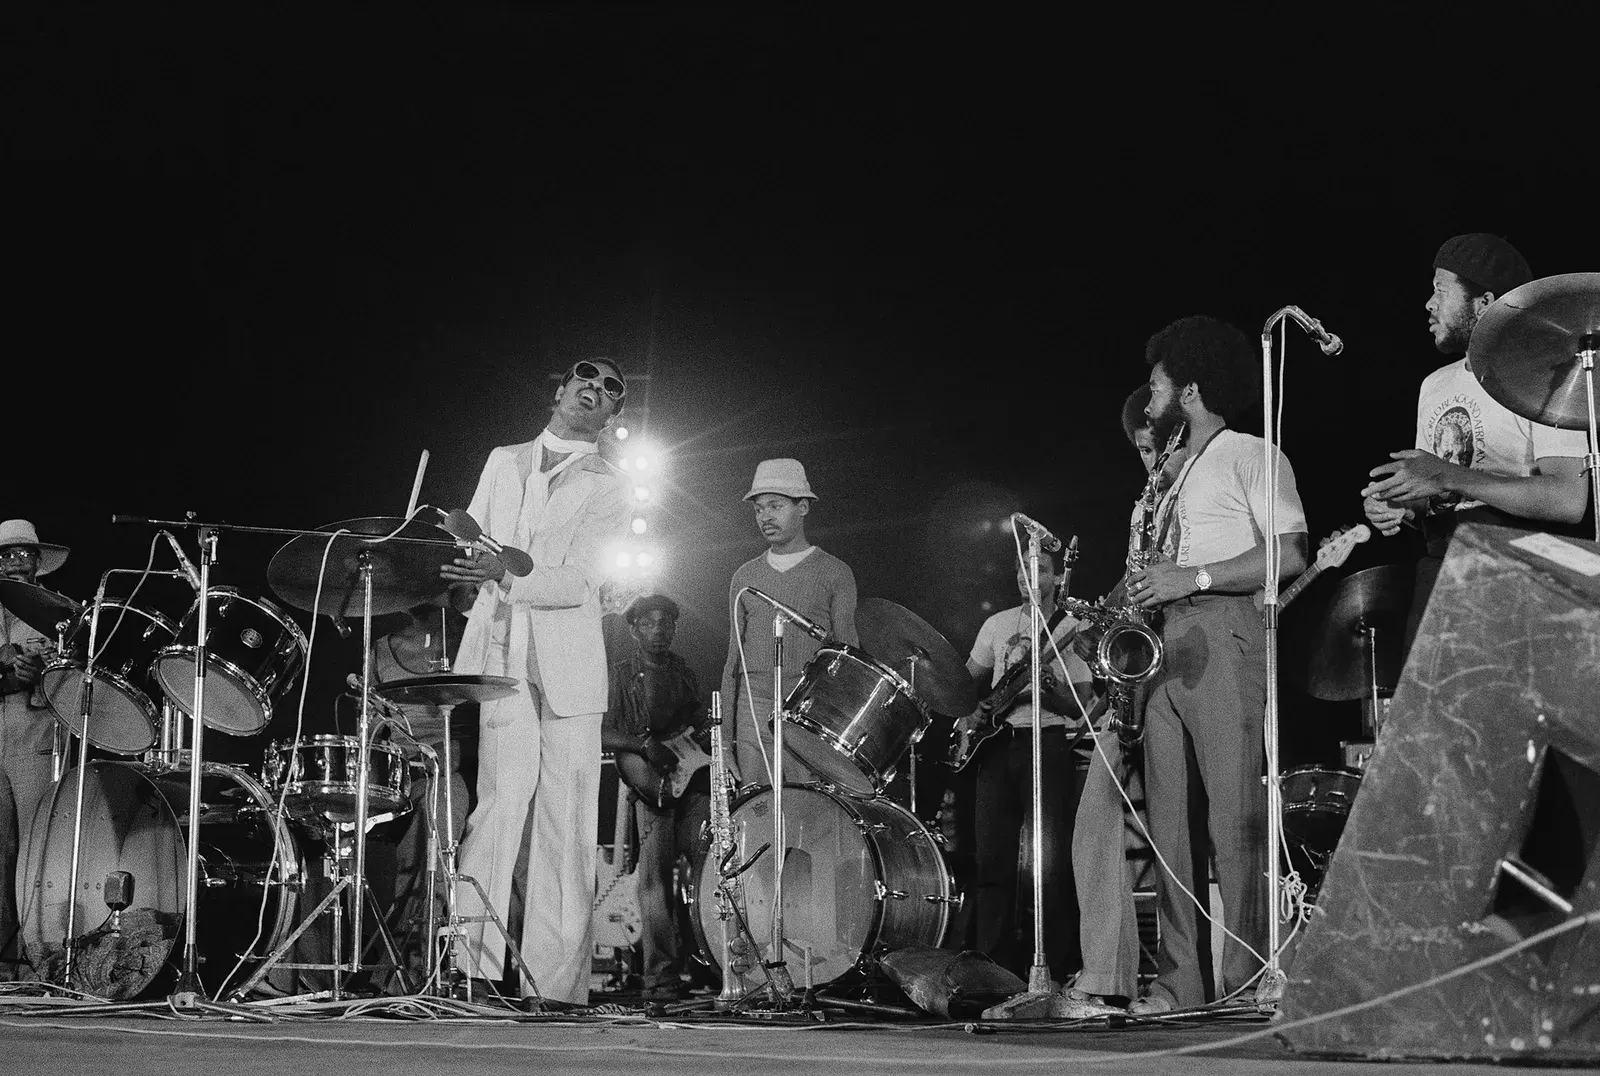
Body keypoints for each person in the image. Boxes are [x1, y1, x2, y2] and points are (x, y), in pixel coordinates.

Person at [1125, 316, 1308, 1014]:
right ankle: (1181, 983)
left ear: (1191, 389)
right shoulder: (1171, 479)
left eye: (1157, 385)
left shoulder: (1252, 454)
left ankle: (1249, 980)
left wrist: (1193, 578)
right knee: (1169, 829)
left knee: (1232, 822)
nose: (1149, 400)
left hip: (1223, 633)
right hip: (1163, 647)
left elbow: (1289, 553)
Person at [440, 358, 632, 1005]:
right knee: (498, 803)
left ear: (612, 416)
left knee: (568, 817)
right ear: (559, 389)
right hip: (503, 653)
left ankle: (553, 985)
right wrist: (472, 563)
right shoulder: (504, 460)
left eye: (611, 388)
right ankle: (471, 966)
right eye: (587, 376)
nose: (596, 387)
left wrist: (507, 573)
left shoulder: (611, 484)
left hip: (571, 667)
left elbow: (580, 579)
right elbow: (471, 545)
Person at [1361, 233, 1589, 647]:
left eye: (1440, 292)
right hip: (1438, 571)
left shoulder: (1546, 375)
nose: (1429, 305)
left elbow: (1568, 500)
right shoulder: (1434, 385)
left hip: (1513, 571)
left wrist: (1450, 476)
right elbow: (1434, 494)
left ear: (1483, 304)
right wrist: (1399, 503)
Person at [1062, 385, 1192, 1011]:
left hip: (1186, 677)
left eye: (1157, 448)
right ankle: (1107, 974)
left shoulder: (1201, 490)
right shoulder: (1146, 506)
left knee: (1181, 838)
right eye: (1141, 451)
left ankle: (1195, 981)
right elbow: (1135, 579)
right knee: (1092, 826)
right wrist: (1103, 617)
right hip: (1134, 686)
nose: (1150, 463)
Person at [958, 538, 1096, 989]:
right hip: (997, 746)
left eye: (1038, 568)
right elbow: (964, 682)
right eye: (1021, 567)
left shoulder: (1071, 627)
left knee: (1051, 861)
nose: (1026, 575)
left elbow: (1079, 706)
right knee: (991, 861)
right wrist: (968, 712)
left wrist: (1050, 684)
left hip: (1046, 741)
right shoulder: (997, 624)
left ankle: (1053, 969)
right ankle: (991, 969)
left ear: (1057, 578)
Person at [718, 459, 858, 787]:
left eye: (776, 506)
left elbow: (849, 655)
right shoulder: (745, 576)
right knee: (759, 814)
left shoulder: (835, 572)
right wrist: (724, 742)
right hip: (753, 709)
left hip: (808, 710)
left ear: (803, 507)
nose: (765, 516)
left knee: (809, 814)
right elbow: (731, 663)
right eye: (759, 508)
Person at [367, 585, 478, 991]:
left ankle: (415, 970)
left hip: (449, 770)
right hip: (393, 772)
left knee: (438, 817)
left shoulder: (471, 637)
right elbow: (369, 722)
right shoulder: (379, 648)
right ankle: (305, 974)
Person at [599, 594, 707, 1000]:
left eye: (666, 622)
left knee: (707, 867)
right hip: (650, 783)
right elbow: (602, 730)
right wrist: (644, 747)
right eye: (648, 623)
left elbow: (697, 724)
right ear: (633, 629)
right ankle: (659, 977)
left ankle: (706, 961)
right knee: (655, 879)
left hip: (690, 779)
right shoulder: (620, 674)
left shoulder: (685, 673)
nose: (658, 629)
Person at [0, 520, 69, 977]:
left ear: (39, 561)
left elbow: (79, 673)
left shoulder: (56, 611)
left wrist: (42, 670)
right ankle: (5, 959)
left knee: (31, 849)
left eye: (25, 554)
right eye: (7, 555)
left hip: (34, 737)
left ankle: (34, 957)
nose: (16, 562)